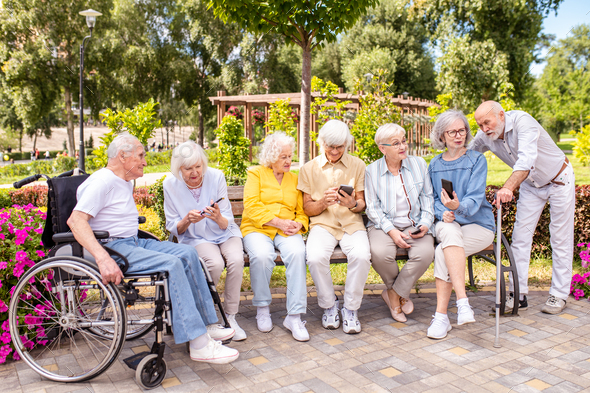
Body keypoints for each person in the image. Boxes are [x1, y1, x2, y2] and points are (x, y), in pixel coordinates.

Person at [67, 134, 239, 364]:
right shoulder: (103, 182)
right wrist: (102, 258)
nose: (145, 162)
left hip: (132, 241)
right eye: (140, 156)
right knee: (172, 264)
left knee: (188, 253)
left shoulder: (123, 181)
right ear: (122, 156)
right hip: (113, 247)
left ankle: (207, 324)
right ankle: (198, 344)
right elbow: (76, 221)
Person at [470, 101, 575, 314]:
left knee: (560, 238)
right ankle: (518, 295)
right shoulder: (485, 136)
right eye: (480, 125)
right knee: (520, 238)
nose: (484, 129)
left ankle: (559, 295)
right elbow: (468, 156)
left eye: (487, 123)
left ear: (501, 115)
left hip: (559, 180)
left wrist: (508, 187)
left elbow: (526, 160)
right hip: (530, 185)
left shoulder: (524, 122)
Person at [163, 141, 246, 341]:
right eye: (188, 168)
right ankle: (205, 316)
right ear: (178, 169)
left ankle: (230, 317)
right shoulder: (170, 184)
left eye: (198, 166)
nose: (195, 172)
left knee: (236, 260)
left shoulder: (216, 176)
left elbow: (227, 222)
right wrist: (187, 220)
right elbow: (174, 226)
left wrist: (217, 216)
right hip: (195, 235)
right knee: (214, 264)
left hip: (224, 232)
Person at [427, 110, 496, 339]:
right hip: (449, 224)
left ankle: (441, 317)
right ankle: (463, 303)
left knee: (441, 251)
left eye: (462, 130)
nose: (458, 135)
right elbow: (433, 200)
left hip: (479, 225)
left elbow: (475, 200)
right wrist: (443, 212)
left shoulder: (477, 160)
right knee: (447, 230)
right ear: (441, 136)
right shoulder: (434, 165)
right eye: (452, 131)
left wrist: (457, 208)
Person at [298, 119, 370, 334]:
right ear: (322, 143)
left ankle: (350, 308)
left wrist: (352, 204)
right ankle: (329, 305)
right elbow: (307, 208)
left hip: (351, 223)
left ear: (347, 144)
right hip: (323, 224)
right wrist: (322, 203)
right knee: (315, 256)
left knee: (362, 255)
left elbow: (361, 203)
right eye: (330, 146)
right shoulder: (308, 168)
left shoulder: (357, 165)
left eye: (340, 146)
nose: (335, 151)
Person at [241, 132, 309, 341]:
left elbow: (301, 211)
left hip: (286, 230)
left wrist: (299, 223)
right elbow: (251, 206)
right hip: (257, 228)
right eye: (283, 157)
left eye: (290, 156)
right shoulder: (256, 174)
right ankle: (262, 308)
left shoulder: (294, 178)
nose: (289, 161)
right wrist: (278, 222)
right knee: (262, 256)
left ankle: (294, 316)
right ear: (271, 157)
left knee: (298, 252)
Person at [364, 123, 435, 323]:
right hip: (383, 225)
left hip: (415, 223)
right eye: (396, 143)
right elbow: (373, 208)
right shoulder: (372, 171)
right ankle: (400, 294)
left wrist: (426, 224)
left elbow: (428, 198)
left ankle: (393, 295)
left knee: (425, 254)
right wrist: (392, 231)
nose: (403, 146)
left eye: (403, 141)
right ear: (382, 148)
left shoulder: (419, 164)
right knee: (380, 253)